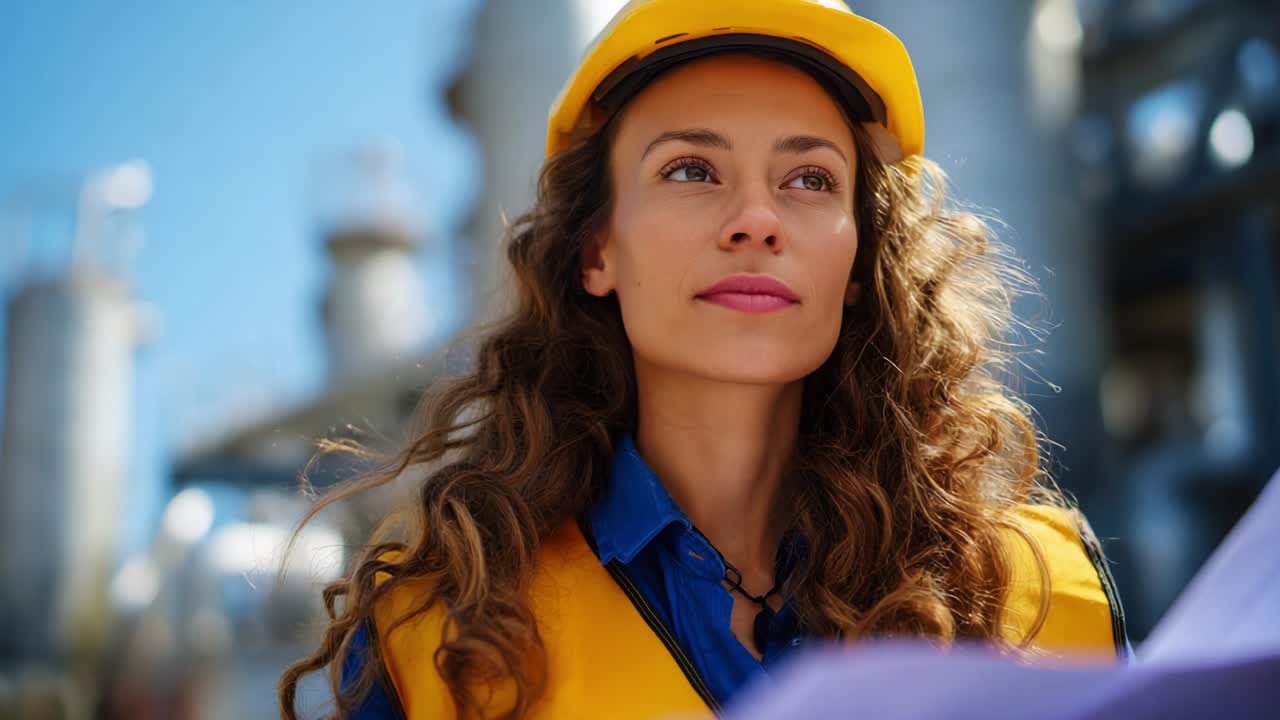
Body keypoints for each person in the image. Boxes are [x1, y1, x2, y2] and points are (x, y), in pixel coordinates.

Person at [278, 1, 1128, 718]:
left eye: (809, 180)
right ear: (595, 252)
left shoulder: (1048, 596)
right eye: (691, 169)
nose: (757, 219)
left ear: (861, 264)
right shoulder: (431, 636)